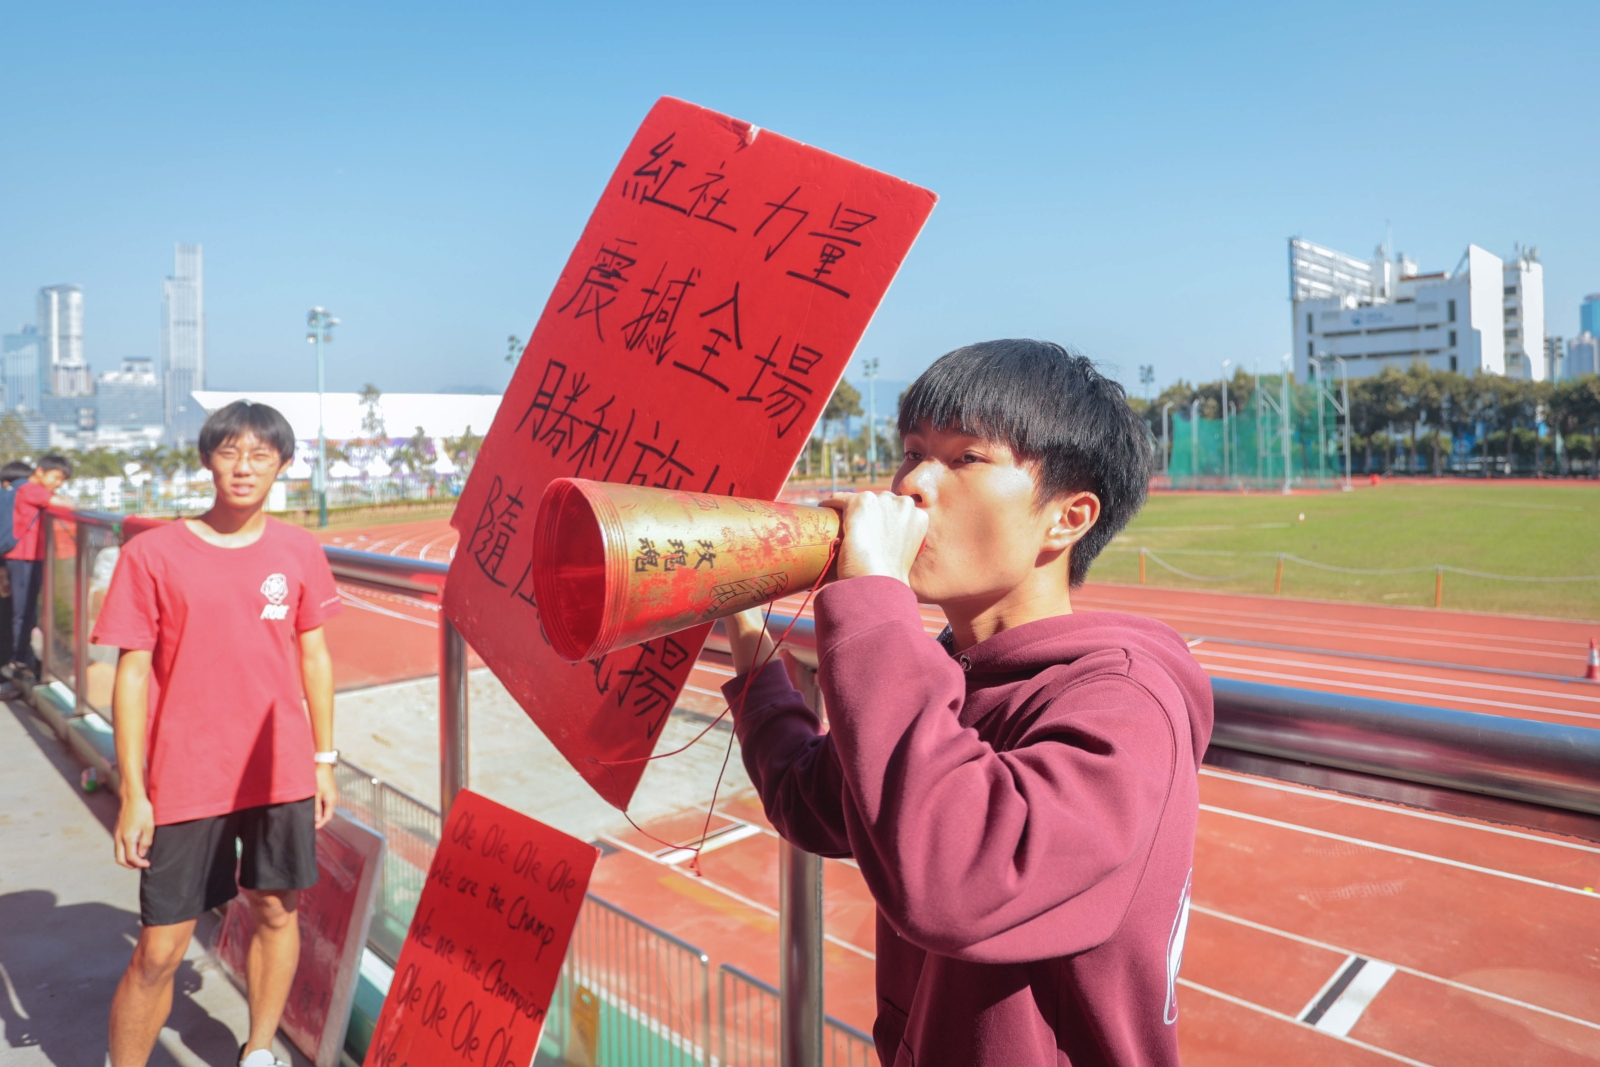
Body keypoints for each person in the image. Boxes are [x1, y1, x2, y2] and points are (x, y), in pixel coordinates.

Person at [725, 340, 1213, 1067]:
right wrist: (744, 627)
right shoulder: (944, 676)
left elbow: (954, 879)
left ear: (1068, 518)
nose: (911, 485)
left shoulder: (1124, 704)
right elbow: (812, 798)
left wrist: (872, 604)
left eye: (965, 458)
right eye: (912, 452)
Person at [97, 401, 342, 1067]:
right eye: (230, 452)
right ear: (208, 459)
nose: (244, 467)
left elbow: (315, 657)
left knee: (276, 912)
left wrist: (323, 760)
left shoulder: (298, 549)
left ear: (282, 465)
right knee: (160, 948)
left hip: (278, 769)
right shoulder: (151, 554)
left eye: (260, 455)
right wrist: (133, 792)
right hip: (186, 776)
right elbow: (130, 676)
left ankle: (258, 1049)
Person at [6, 454, 75, 678]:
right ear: (40, 471)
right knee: (23, 609)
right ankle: (20, 657)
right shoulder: (30, 489)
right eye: (56, 477)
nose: (58, 483)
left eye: (62, 479)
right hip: (23, 556)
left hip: (30, 556)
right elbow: (61, 504)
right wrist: (63, 499)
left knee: (28, 608)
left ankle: (21, 654)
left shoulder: (29, 489)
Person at [0, 459, 38, 694]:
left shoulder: (7, 497)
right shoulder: (13, 498)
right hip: (10, 563)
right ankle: (14, 668)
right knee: (13, 616)